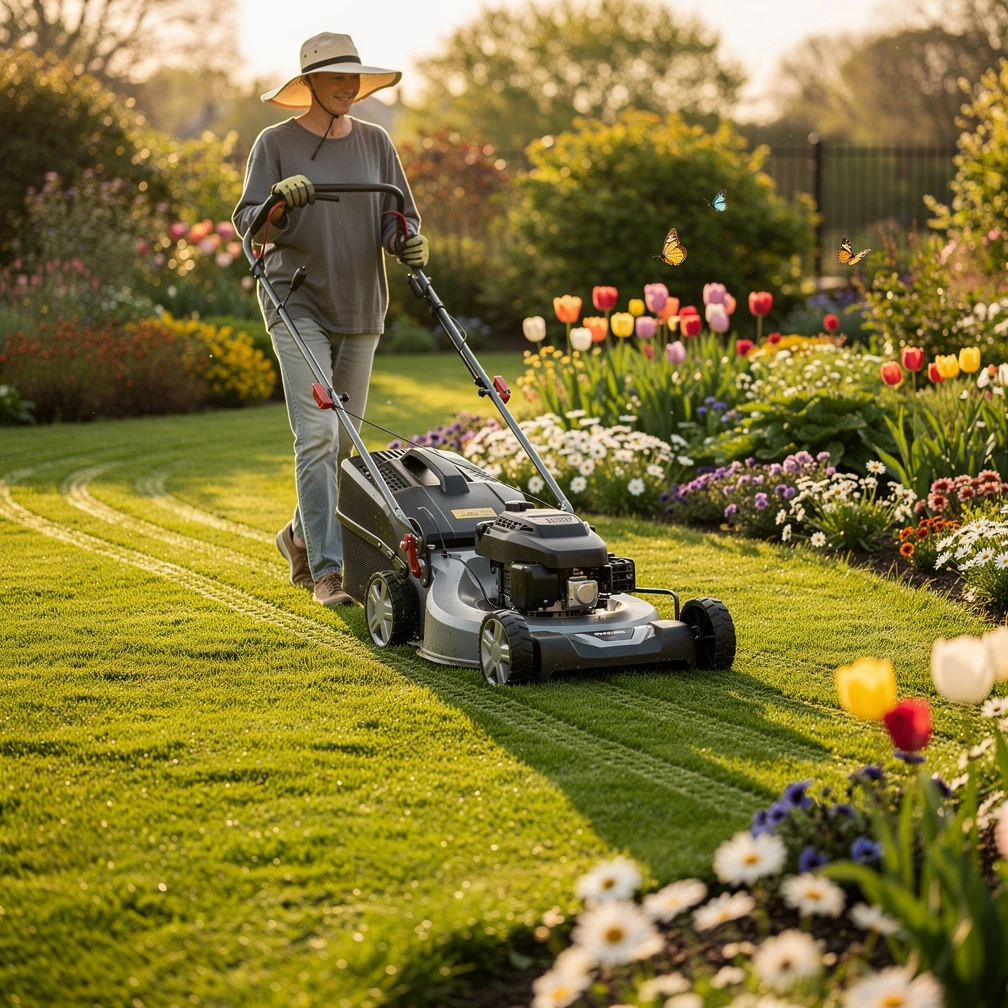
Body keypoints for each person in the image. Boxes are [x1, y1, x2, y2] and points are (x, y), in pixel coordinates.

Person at [233, 32, 426, 607]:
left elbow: (399, 216)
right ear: (309, 83)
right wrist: (276, 202)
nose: (349, 86)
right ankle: (326, 570)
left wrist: (409, 244)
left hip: (362, 304)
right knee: (316, 435)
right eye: (337, 76)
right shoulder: (274, 143)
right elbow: (249, 223)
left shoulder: (376, 141)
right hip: (296, 302)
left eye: (354, 76)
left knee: (344, 442)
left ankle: (296, 534)